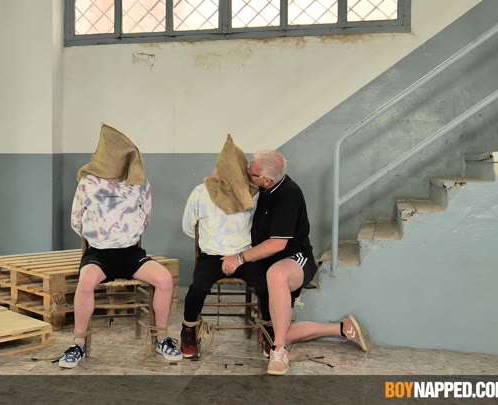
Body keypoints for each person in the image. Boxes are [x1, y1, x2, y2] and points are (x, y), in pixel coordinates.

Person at [221, 150, 371, 376]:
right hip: (269, 262)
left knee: (276, 276)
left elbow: (277, 244)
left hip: (295, 259)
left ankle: (279, 351)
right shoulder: (265, 188)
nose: (247, 173)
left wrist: (239, 258)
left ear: (267, 180)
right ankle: (343, 328)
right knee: (282, 331)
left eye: (251, 172)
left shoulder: (288, 195)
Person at [60, 124, 182, 369]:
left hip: (130, 253)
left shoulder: (139, 183)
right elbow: (76, 219)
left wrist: (124, 235)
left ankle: (162, 339)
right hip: (99, 254)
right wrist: (101, 236)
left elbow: (146, 218)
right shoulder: (88, 182)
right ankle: (78, 344)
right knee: (85, 281)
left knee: (165, 279)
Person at [179, 135, 269, 359]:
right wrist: (211, 243)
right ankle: (188, 331)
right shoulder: (201, 192)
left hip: (244, 256)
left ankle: (270, 332)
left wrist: (240, 255)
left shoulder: (253, 194)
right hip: (212, 257)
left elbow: (260, 229)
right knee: (197, 288)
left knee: (266, 286)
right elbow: (189, 227)